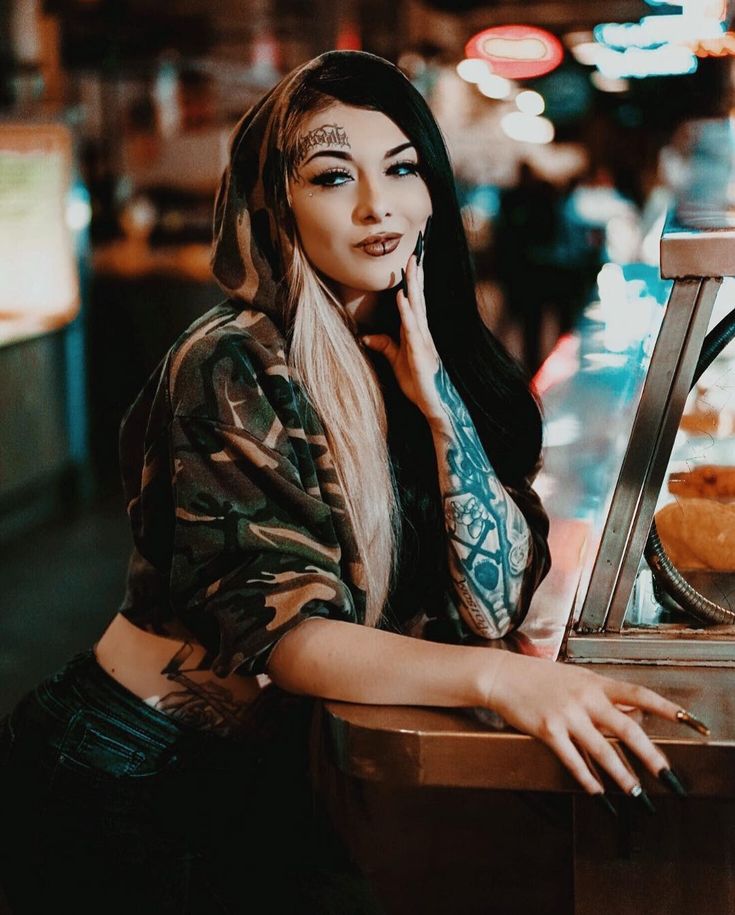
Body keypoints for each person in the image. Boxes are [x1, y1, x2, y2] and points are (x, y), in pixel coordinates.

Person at [0, 50, 696, 915]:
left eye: (401, 168)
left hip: (264, 774)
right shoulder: (232, 360)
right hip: (123, 766)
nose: (378, 207)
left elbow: (491, 607)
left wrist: (439, 406)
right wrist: (505, 680)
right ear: (277, 203)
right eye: (333, 176)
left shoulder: (424, 361)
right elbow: (290, 637)